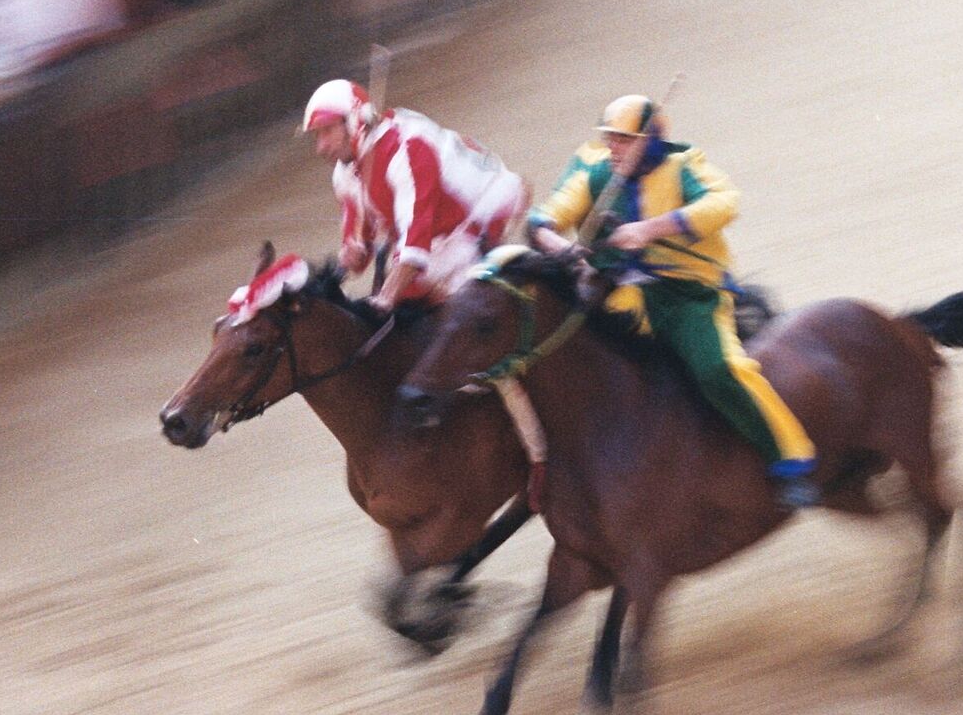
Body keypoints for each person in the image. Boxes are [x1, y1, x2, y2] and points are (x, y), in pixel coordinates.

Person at [528, 93, 820, 510]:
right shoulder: (594, 172)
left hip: (688, 295)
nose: (613, 147)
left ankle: (791, 460)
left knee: (720, 368)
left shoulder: (684, 166)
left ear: (650, 139)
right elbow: (546, 216)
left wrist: (651, 229)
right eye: (610, 138)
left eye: (623, 139)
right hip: (619, 296)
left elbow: (724, 203)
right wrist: (557, 244)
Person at [300, 76, 526, 311]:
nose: (321, 147)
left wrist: (386, 297)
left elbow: (415, 239)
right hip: (439, 238)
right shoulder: (344, 174)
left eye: (327, 131)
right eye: (317, 136)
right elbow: (359, 245)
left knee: (457, 314)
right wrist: (351, 257)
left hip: (485, 210)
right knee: (410, 295)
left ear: (355, 121)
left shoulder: (406, 148)